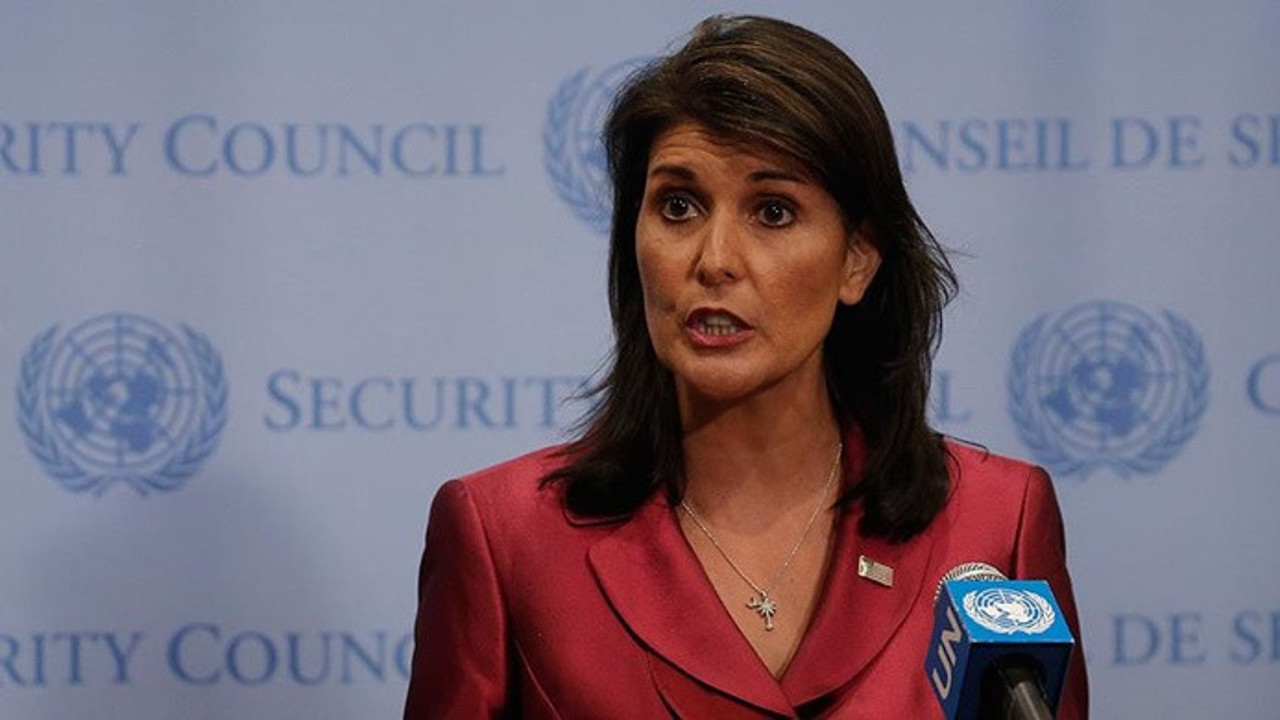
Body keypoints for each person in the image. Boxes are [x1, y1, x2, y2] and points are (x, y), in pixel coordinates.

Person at [404, 14, 1088, 719]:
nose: (715, 260)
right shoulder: (504, 537)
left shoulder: (995, 525)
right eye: (678, 206)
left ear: (857, 259)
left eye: (773, 212)